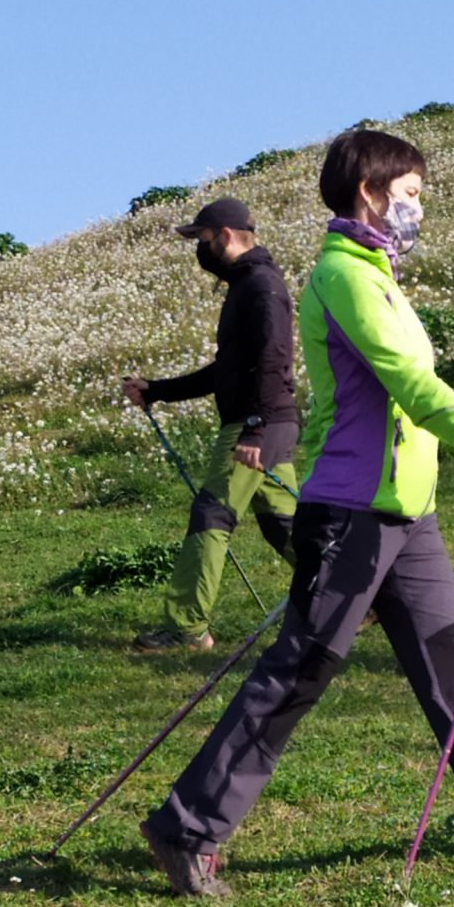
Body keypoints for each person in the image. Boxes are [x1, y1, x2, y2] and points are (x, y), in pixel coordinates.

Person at [137, 129, 454, 898]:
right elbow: (410, 385)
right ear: (370, 192)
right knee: (297, 674)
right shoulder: (346, 277)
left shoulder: (379, 274)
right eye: (412, 194)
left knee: (449, 672)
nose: (419, 208)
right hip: (353, 514)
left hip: (408, 517)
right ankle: (186, 829)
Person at [122, 196, 300, 652]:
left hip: (256, 425)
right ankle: (361, 598)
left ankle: (185, 629)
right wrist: (158, 389)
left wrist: (254, 429)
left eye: (200, 240)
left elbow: (273, 359)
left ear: (224, 236)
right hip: (268, 423)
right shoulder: (247, 284)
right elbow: (226, 370)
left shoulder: (261, 285)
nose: (197, 251)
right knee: (282, 523)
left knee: (211, 515)